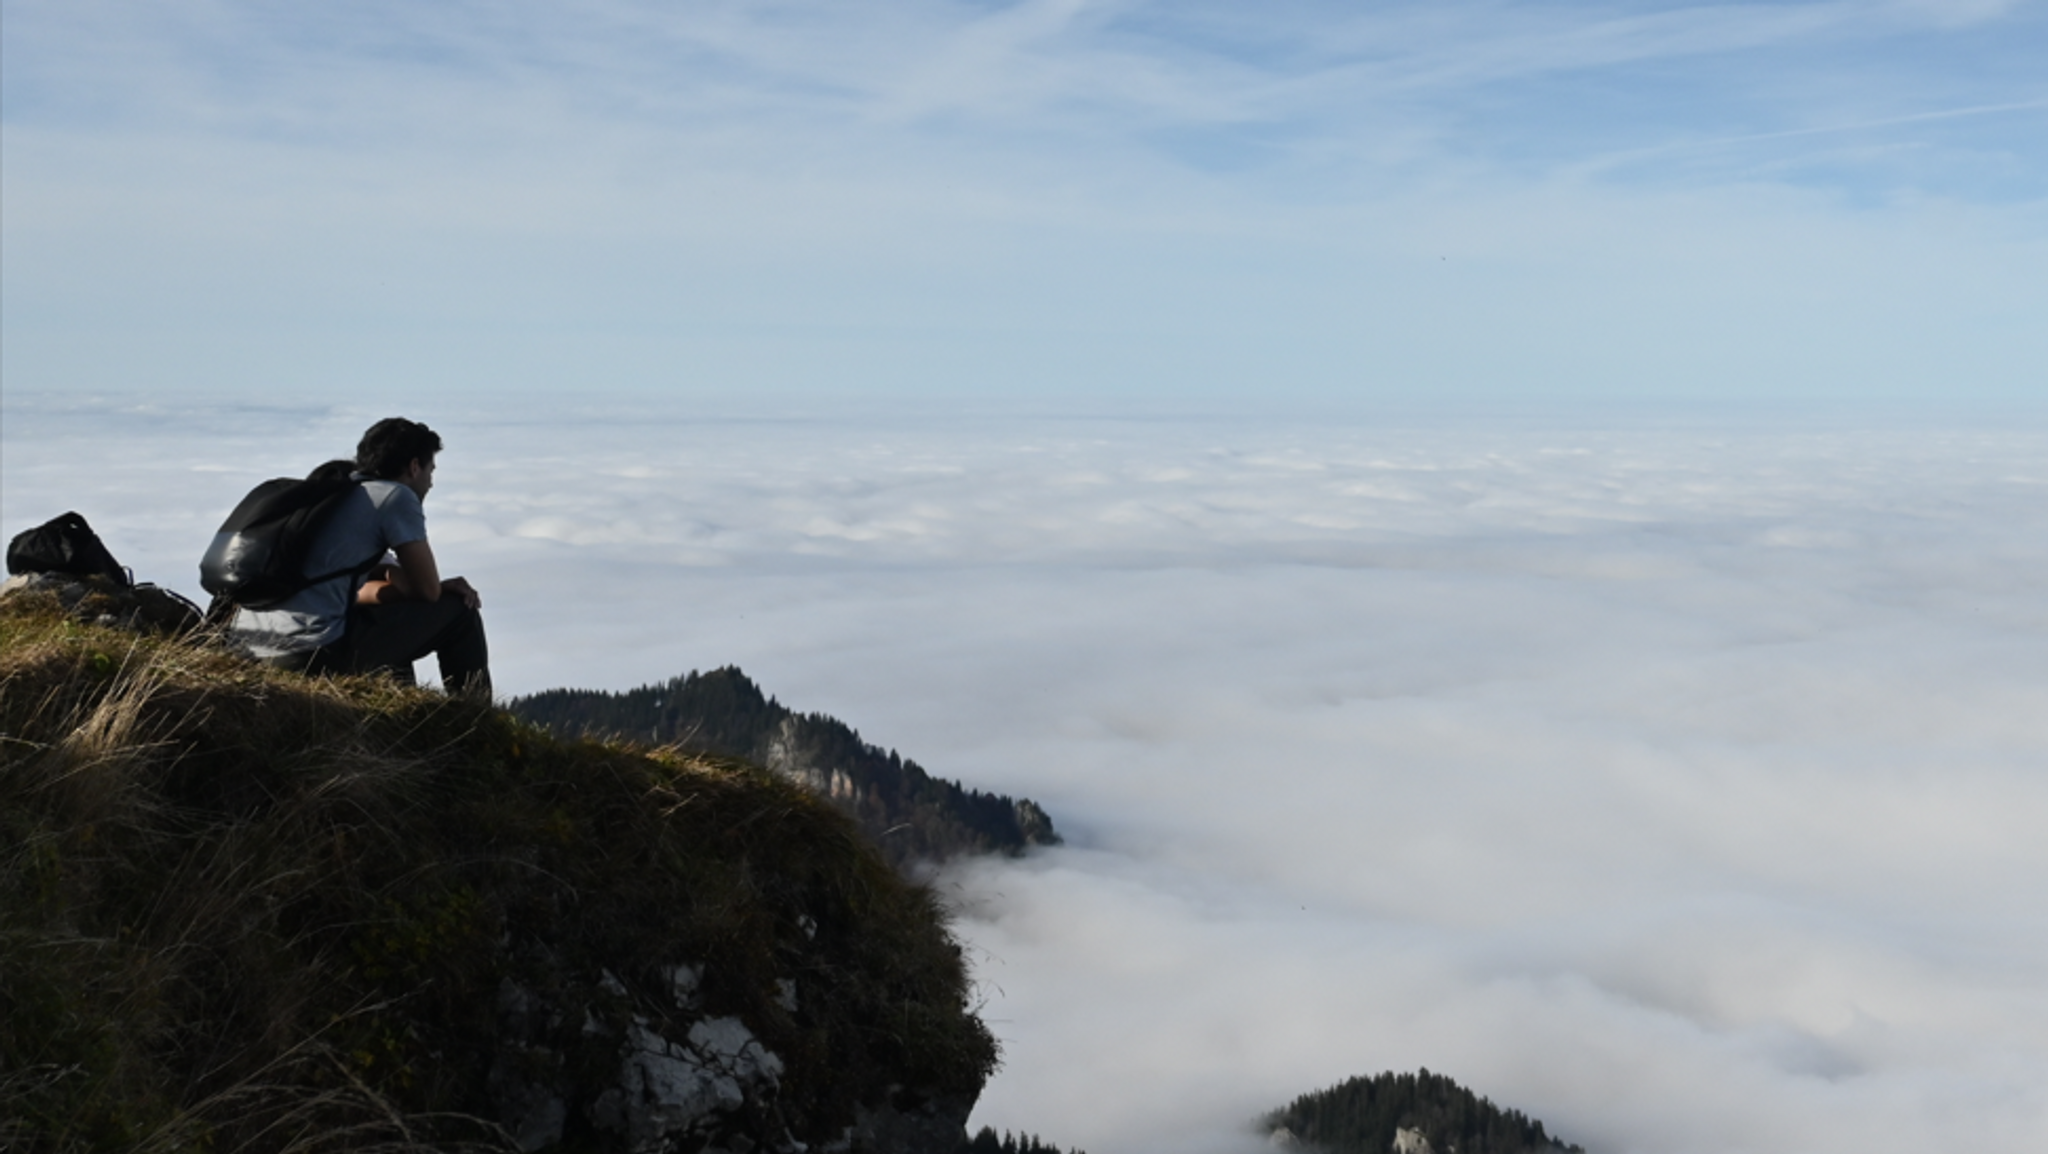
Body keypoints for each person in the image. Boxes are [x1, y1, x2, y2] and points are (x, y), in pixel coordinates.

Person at [229, 417, 491, 696]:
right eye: (431, 471)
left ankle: (400, 710)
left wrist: (400, 584)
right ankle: (477, 724)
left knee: (382, 616)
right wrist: (431, 586)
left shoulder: (333, 493)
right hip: (312, 654)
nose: (431, 483)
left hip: (249, 647)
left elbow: (350, 593)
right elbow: (427, 591)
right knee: (459, 610)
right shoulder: (395, 497)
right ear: (414, 467)